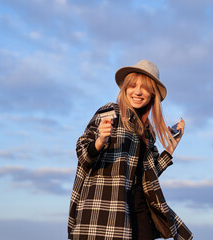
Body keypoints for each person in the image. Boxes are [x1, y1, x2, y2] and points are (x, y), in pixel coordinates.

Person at [68, 60, 193, 240]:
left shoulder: (148, 132)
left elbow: (148, 176)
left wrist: (171, 147)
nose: (138, 92)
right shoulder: (111, 111)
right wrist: (100, 140)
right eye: (132, 85)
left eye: (145, 88)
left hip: (139, 209)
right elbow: (83, 155)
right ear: (125, 89)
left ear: (153, 95)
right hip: (106, 210)